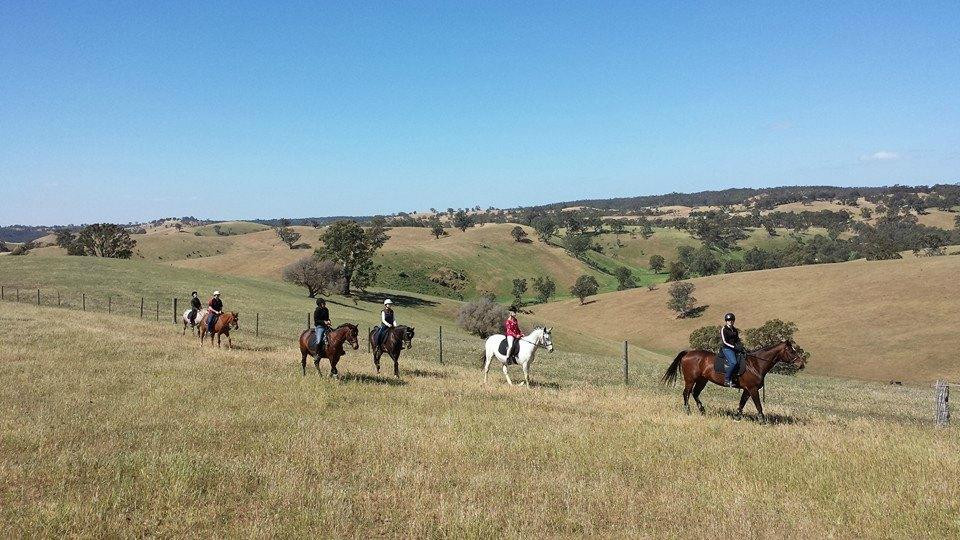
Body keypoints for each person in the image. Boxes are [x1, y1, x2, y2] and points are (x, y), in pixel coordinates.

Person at [719, 312, 741, 386]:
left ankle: (736, 378)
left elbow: (737, 339)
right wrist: (734, 347)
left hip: (735, 348)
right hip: (727, 349)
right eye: (728, 320)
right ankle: (727, 379)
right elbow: (724, 342)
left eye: (732, 320)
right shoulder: (724, 329)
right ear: (726, 321)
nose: (730, 321)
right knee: (733, 362)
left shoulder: (735, 330)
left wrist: (741, 346)